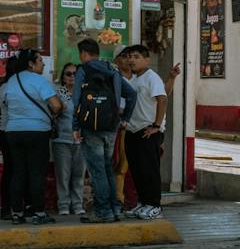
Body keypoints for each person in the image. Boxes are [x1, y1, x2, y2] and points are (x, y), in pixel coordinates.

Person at [72, 38, 136, 223]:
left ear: (84, 53)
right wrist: (125, 119)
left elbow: (76, 101)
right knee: (108, 168)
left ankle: (102, 211)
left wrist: (75, 126)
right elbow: (132, 94)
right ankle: (115, 208)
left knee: (97, 170)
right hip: (111, 127)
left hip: (90, 128)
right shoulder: (113, 70)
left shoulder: (83, 70)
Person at [0, 48, 64, 223]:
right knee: (36, 173)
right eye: (40, 60)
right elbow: (56, 105)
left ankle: (17, 214)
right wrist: (54, 113)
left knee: (18, 172)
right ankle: (39, 213)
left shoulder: (11, 81)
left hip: (13, 132)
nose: (43, 64)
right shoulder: (40, 81)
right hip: (37, 131)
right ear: (30, 64)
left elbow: (6, 103)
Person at [119, 44, 170, 219]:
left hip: (147, 131)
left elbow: (162, 99)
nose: (131, 60)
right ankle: (143, 203)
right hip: (132, 130)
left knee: (149, 171)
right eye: (129, 57)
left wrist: (156, 126)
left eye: (136, 57)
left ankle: (155, 206)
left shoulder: (151, 77)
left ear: (146, 60)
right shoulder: (133, 80)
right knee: (137, 171)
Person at [51, 62, 86, 218]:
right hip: (62, 140)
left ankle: (78, 204)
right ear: (63, 77)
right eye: (68, 74)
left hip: (81, 140)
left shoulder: (84, 93)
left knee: (79, 174)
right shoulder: (57, 93)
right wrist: (58, 109)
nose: (72, 76)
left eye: (75, 74)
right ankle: (64, 205)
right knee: (63, 175)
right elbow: (51, 114)